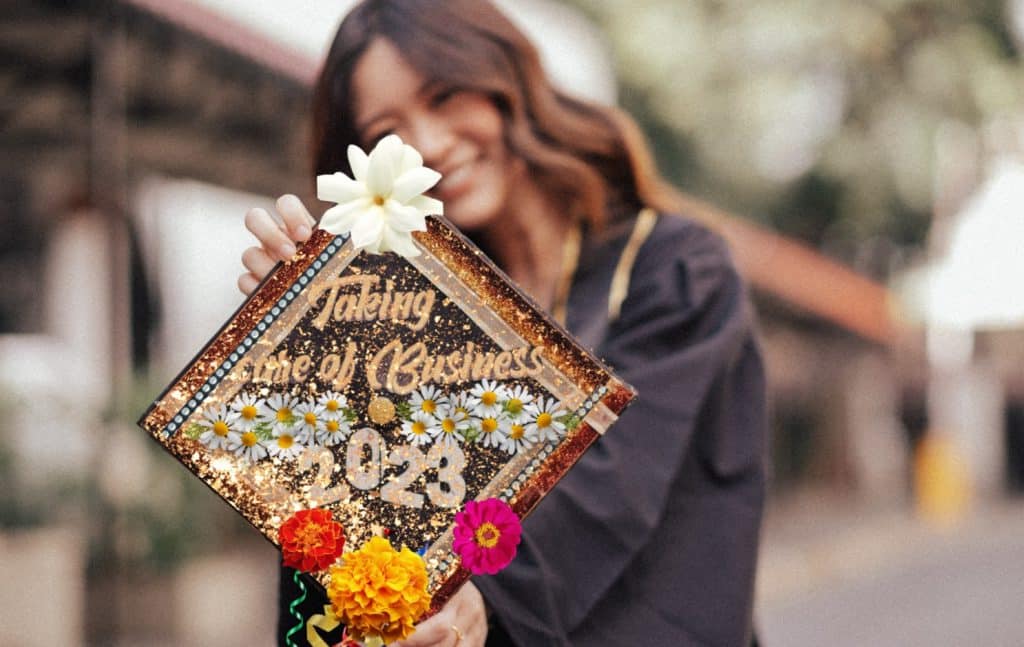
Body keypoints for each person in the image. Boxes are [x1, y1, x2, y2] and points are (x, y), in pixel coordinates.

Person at [238, 1, 767, 645]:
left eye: (446, 94)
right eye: (386, 133)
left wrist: (480, 598)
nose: (427, 144)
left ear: (509, 83)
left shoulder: (676, 270)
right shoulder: (418, 320)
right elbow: (363, 510)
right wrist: (322, 343)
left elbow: (611, 484)